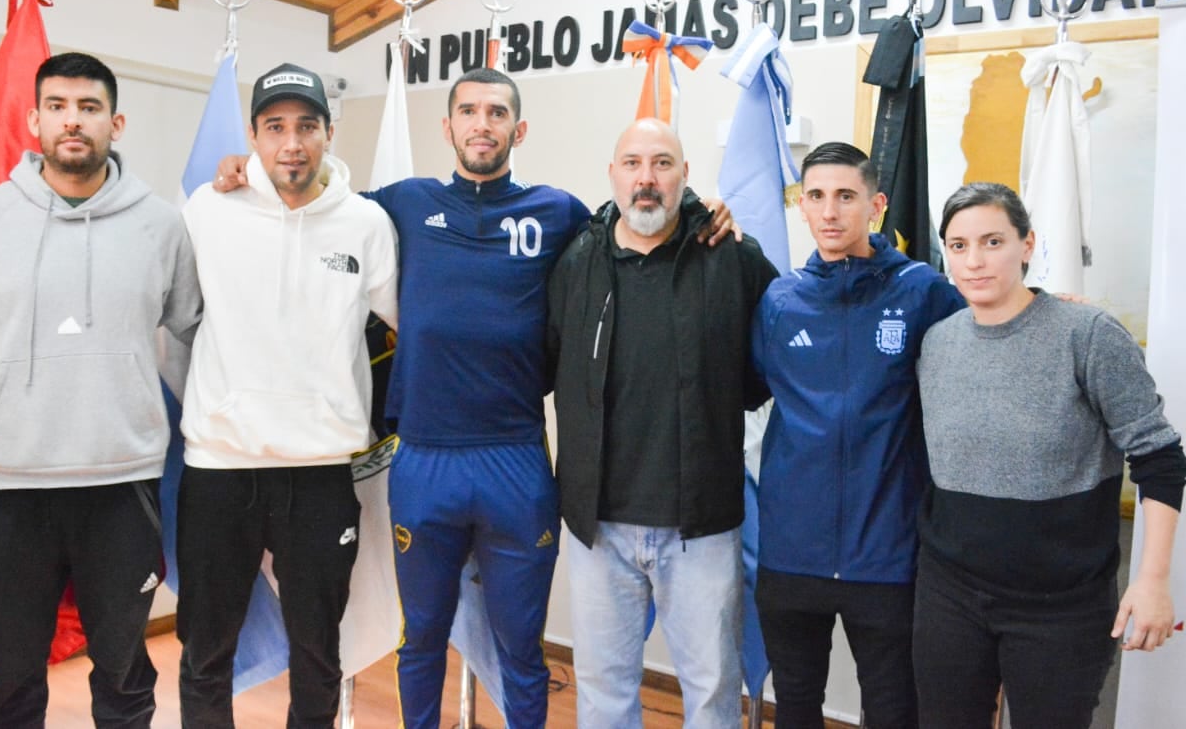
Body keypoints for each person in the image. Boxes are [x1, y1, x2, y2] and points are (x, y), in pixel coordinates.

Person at [213, 68, 736, 728]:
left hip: (515, 463)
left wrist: (702, 210)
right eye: (468, 111)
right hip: (425, 460)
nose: (481, 123)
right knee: (421, 640)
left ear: (518, 129)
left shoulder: (560, 212)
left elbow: (638, 219)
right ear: (448, 126)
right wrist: (249, 172)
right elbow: (318, 196)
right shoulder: (402, 202)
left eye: (495, 113)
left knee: (521, 648)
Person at [0, 52, 202, 728]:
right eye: (57, 106)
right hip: (10, 485)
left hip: (121, 484)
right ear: (34, 119)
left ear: (116, 121)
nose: (72, 121)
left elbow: (193, 335)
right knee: (12, 673)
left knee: (123, 670)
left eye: (87, 107)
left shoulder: (161, 225)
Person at [913, 182, 1184, 729]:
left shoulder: (1087, 335)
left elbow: (1160, 458)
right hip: (950, 595)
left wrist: (1153, 581)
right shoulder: (936, 343)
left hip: (1061, 606)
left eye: (993, 241)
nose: (975, 260)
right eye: (959, 246)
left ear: (1027, 244)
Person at [175, 63, 398, 727]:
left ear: (330, 133)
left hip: (319, 474)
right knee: (205, 652)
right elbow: (178, 317)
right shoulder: (209, 208)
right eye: (275, 127)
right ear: (253, 136)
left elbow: (409, 326)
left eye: (306, 125)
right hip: (219, 468)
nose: (291, 142)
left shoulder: (366, 223)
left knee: (318, 653)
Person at [546, 118, 778, 728]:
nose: (646, 179)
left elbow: (774, 366)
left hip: (699, 528)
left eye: (662, 163)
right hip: (600, 526)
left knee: (710, 689)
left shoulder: (732, 259)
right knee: (602, 688)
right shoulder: (577, 262)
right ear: (612, 174)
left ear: (685, 175)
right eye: (632, 163)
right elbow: (546, 360)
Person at [748, 141, 964, 729]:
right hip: (792, 554)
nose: (830, 212)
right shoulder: (780, 300)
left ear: (876, 204)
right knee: (794, 707)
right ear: (801, 205)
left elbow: (988, 342)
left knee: (894, 710)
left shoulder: (922, 292)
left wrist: (1045, 306)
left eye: (846, 196)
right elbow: (753, 387)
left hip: (888, 555)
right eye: (815, 196)